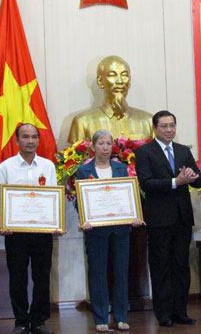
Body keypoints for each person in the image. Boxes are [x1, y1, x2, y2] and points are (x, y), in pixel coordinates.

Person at [134, 110, 201, 327]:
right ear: (154, 128)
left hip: (182, 219)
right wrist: (176, 181)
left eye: (172, 125)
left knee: (181, 266)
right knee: (161, 266)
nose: (169, 130)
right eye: (164, 126)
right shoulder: (145, 152)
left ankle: (180, 312)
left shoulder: (183, 150)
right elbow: (147, 183)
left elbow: (200, 181)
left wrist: (192, 178)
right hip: (159, 219)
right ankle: (163, 314)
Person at [0, 123, 62, 334]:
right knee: (18, 277)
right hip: (16, 233)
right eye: (25, 137)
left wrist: (55, 223)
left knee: (42, 276)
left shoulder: (48, 166)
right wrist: (2, 223)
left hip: (42, 232)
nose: (30, 141)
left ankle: (39, 320)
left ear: (38, 140)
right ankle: (21, 321)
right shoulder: (6, 167)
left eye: (33, 137)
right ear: (16, 140)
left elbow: (52, 197)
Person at [76, 129, 143, 332]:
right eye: (101, 144)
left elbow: (128, 195)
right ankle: (101, 318)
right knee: (98, 273)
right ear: (93, 146)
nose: (105, 147)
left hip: (121, 230)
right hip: (96, 230)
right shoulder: (83, 170)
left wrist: (134, 215)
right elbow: (81, 200)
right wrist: (84, 220)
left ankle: (121, 316)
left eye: (108, 143)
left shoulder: (121, 168)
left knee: (121, 272)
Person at [68, 55, 153, 143]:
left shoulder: (149, 121)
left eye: (124, 75)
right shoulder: (83, 122)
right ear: (100, 81)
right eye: (112, 75)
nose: (120, 81)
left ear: (129, 81)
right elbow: (77, 154)